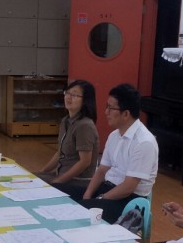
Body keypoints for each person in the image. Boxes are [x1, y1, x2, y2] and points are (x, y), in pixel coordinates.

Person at [60, 83, 158, 224]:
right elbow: (101, 171)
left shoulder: (144, 142)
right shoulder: (114, 135)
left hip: (129, 200)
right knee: (59, 193)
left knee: (79, 211)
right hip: (107, 189)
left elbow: (128, 187)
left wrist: (100, 198)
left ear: (126, 114)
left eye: (111, 108)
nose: (106, 112)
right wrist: (87, 195)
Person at [37, 80, 99, 188]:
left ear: (85, 100)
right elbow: (60, 153)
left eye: (74, 95)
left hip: (78, 182)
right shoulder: (66, 121)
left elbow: (85, 162)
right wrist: (42, 172)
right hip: (61, 175)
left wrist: (58, 181)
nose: (68, 97)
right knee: (30, 179)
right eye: (67, 93)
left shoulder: (84, 125)